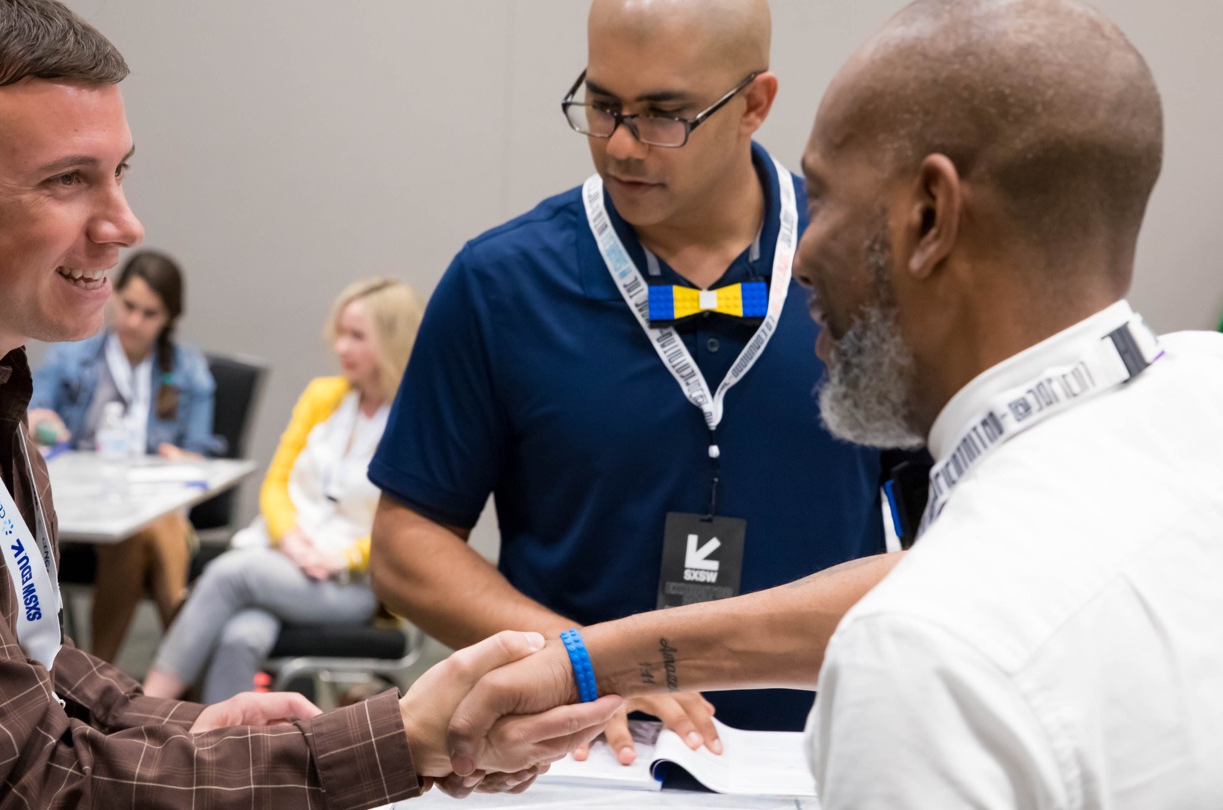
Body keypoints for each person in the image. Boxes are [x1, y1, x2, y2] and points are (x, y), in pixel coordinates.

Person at [0, 0, 618, 805]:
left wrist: (187, 727)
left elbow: (24, 663)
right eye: (66, 180)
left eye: (120, 171)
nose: (125, 224)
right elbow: (41, 784)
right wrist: (406, 740)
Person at [446, 0, 1223, 806]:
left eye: (824, 196)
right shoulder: (1204, 401)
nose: (802, 256)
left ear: (930, 216)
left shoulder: (917, 655)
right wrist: (593, 661)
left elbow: (939, 596)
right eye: (603, 106)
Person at [368, 0, 902, 759]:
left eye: (662, 114)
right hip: (572, 759)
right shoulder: (501, 282)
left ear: (755, 103)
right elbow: (405, 544)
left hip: (821, 755)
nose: (620, 144)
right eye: (602, 104)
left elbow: (953, 532)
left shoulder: (866, 266)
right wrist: (587, 664)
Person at [143, 278, 424, 703]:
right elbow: (277, 484)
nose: (341, 347)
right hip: (285, 557)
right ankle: (225, 754)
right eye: (341, 334)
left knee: (229, 573)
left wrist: (338, 557)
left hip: (351, 583)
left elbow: (408, 527)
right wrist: (291, 541)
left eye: (357, 337)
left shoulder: (415, 424)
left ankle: (148, 710)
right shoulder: (322, 397)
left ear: (392, 340)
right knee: (241, 636)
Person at [29, 249, 222, 662]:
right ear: (113, 295)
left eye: (149, 313)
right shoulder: (74, 353)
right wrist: (44, 422)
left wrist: (184, 457)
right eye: (129, 306)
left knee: (141, 530)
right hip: (86, 505)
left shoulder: (188, 370)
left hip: (153, 502)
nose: (134, 322)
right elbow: (35, 413)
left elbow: (202, 453)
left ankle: (102, 669)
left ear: (169, 318)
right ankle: (183, 659)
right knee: (145, 530)